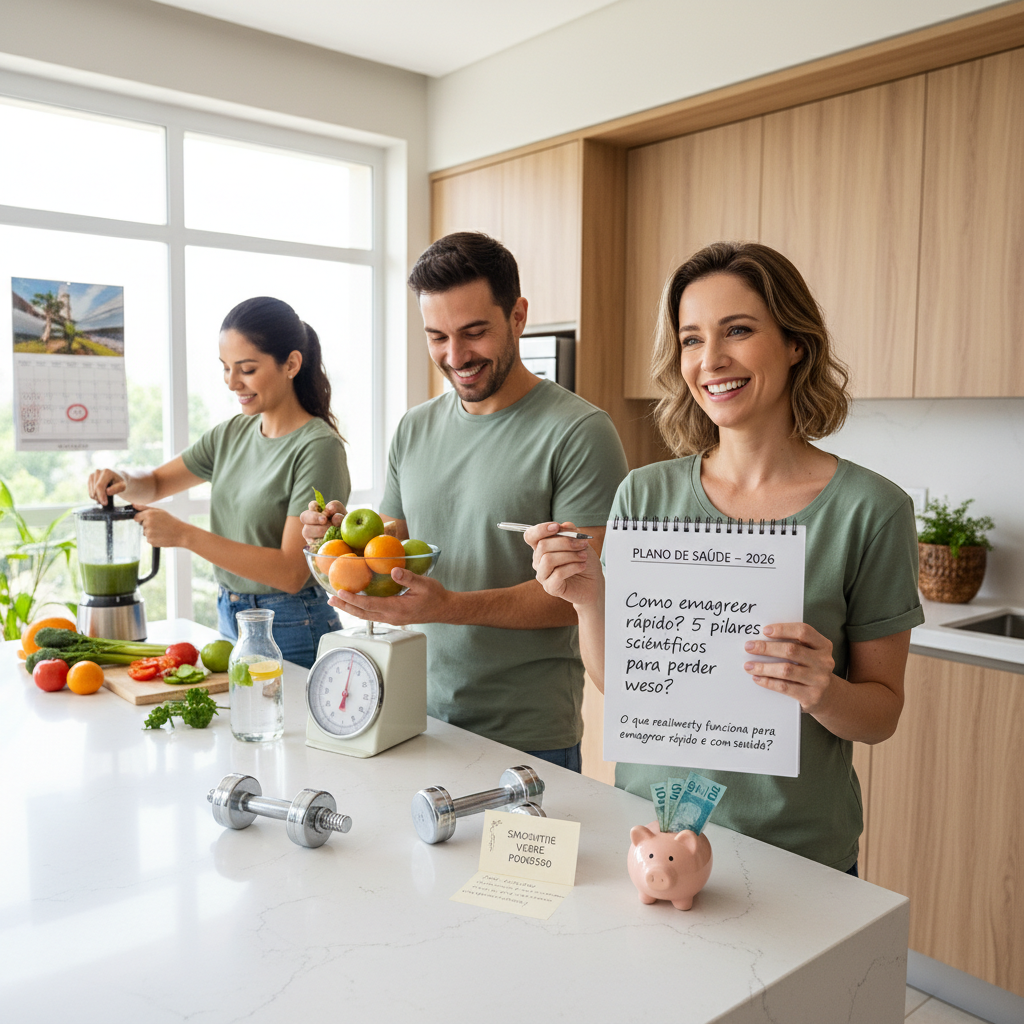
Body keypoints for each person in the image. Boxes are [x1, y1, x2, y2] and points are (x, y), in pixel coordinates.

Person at [526, 241, 924, 871]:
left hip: (798, 856)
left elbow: (880, 716)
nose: (711, 360)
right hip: (652, 842)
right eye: (690, 339)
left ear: (796, 343)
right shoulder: (645, 493)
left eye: (737, 330)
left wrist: (823, 691)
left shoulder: (871, 511)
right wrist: (587, 600)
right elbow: (628, 690)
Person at [302, 232, 628, 771]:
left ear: (518, 316)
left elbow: (578, 592)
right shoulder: (415, 427)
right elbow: (391, 548)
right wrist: (337, 544)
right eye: (438, 337)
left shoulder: (580, 432)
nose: (455, 357)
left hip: (527, 735)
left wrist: (447, 607)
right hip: (409, 713)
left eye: (474, 333)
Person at [88, 296, 350, 668]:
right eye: (226, 368)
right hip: (232, 613)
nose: (232, 382)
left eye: (246, 369)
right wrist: (122, 479)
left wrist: (184, 535)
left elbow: (291, 572)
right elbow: (158, 482)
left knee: (284, 726)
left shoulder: (318, 447)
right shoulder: (232, 433)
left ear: (291, 363)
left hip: (292, 622)